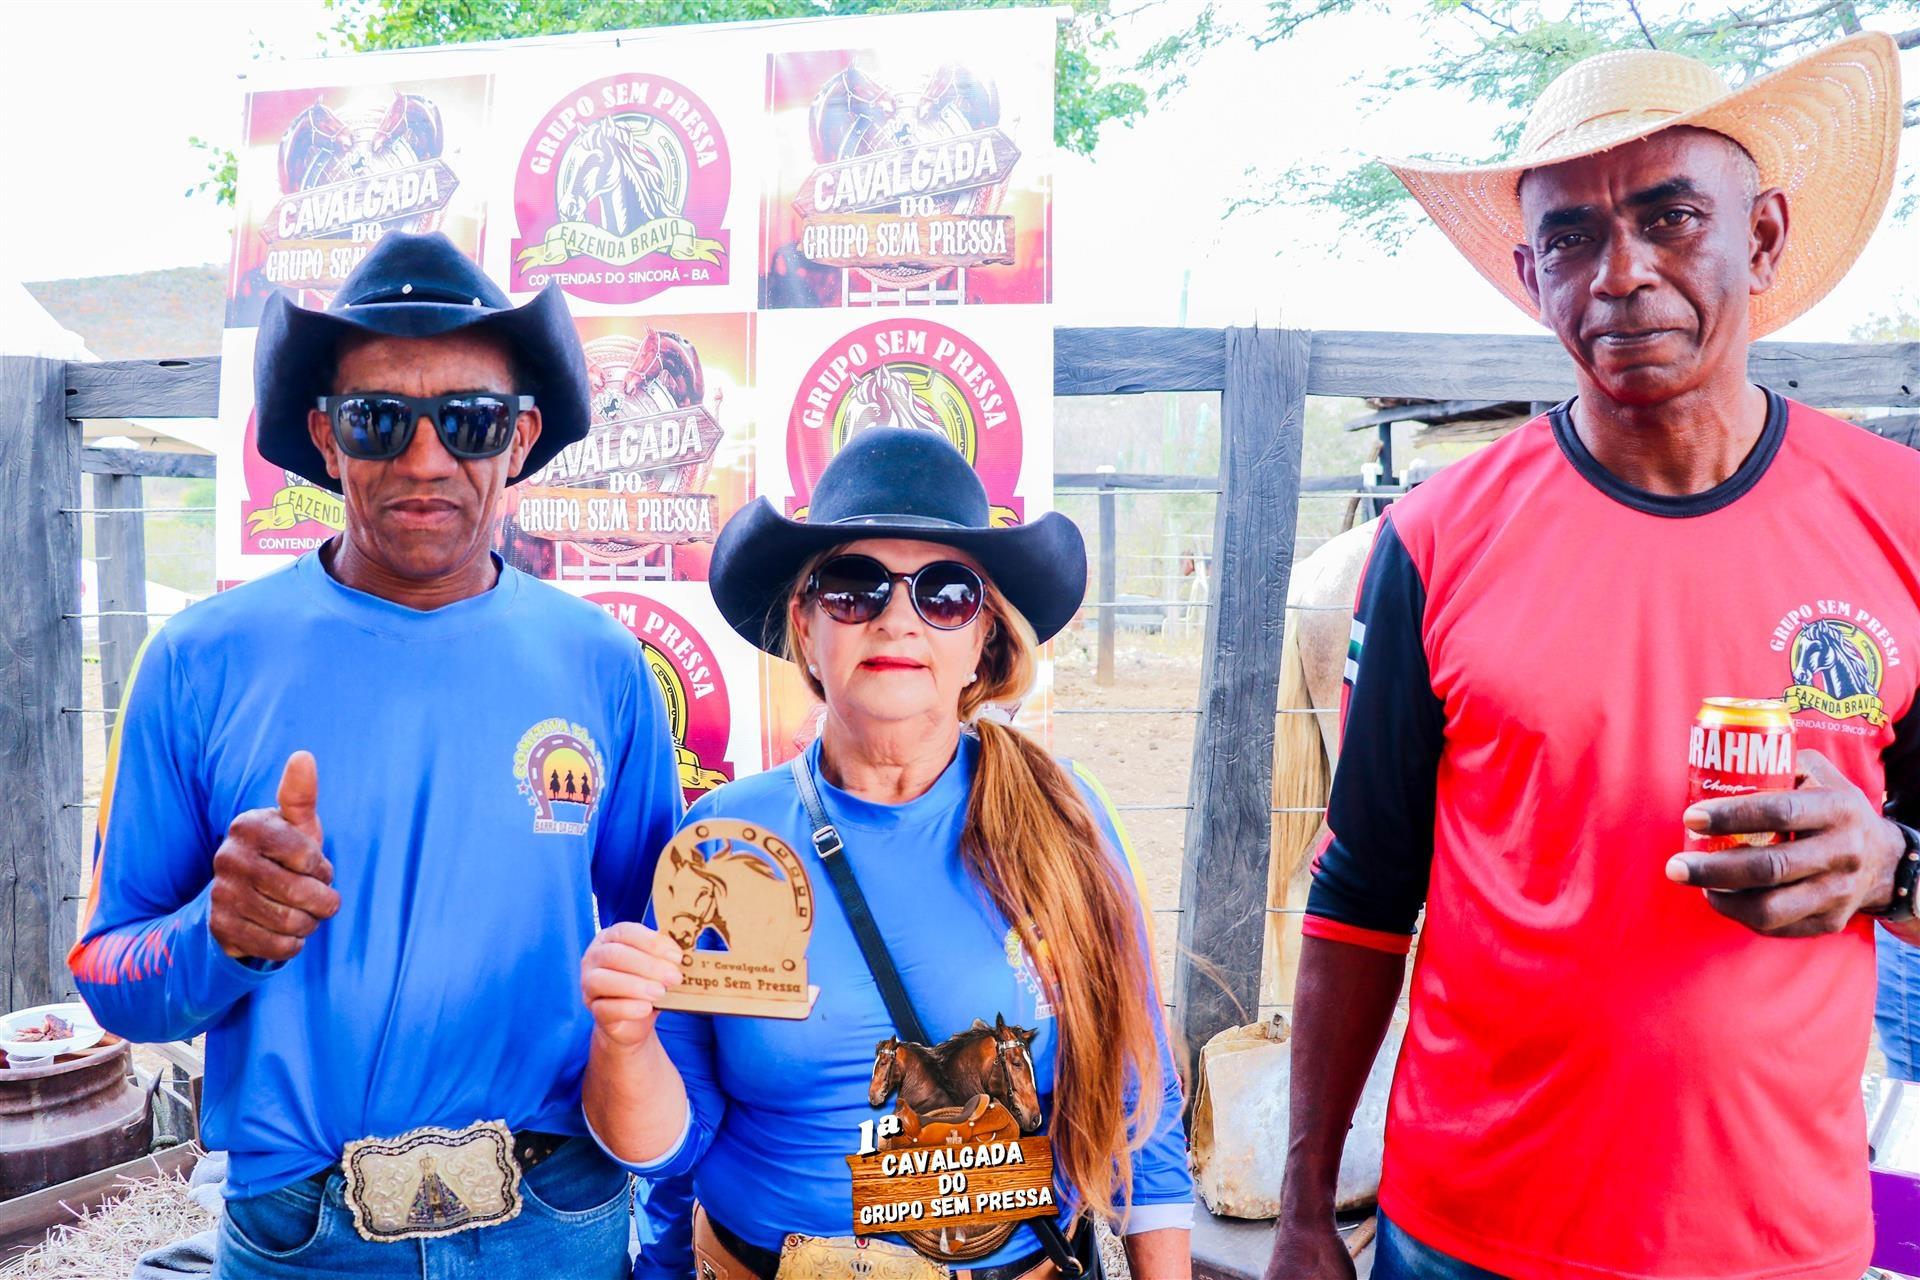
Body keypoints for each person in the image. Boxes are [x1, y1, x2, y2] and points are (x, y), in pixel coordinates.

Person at [1264, 33, 1920, 1280]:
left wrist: (1892, 865)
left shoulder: (1903, 522)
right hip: (1465, 1234)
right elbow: (1360, 888)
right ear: (1532, 274)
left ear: (1763, 237)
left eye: (1672, 217)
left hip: (1777, 1244)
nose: (1621, 274)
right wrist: (1304, 1207)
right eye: (1571, 237)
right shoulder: (1435, 539)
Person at [69, 232, 685, 1279]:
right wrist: (221, 935)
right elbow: (109, 977)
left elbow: (665, 952)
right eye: (378, 418)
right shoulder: (199, 662)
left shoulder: (603, 664)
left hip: (558, 1216)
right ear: (326, 436)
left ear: (521, 436)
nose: (425, 457)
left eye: (470, 418)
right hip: (306, 1235)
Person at [578, 428, 1195, 1278]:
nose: (897, 618)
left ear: (983, 638)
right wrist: (623, 1039)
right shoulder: (721, 845)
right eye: (852, 586)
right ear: (805, 626)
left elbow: (1138, 1104)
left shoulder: (1066, 822)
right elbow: (666, 1149)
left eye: (945, 592)